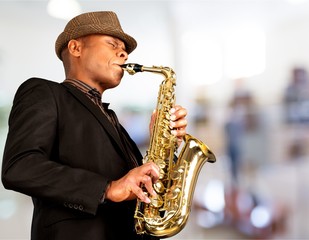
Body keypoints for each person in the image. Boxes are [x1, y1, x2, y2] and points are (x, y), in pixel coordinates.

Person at [1, 11, 188, 240]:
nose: (124, 53)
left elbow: (139, 192)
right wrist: (107, 188)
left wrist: (164, 148)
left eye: (125, 49)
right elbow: (20, 167)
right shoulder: (44, 92)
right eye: (113, 44)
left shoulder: (111, 118)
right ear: (76, 48)